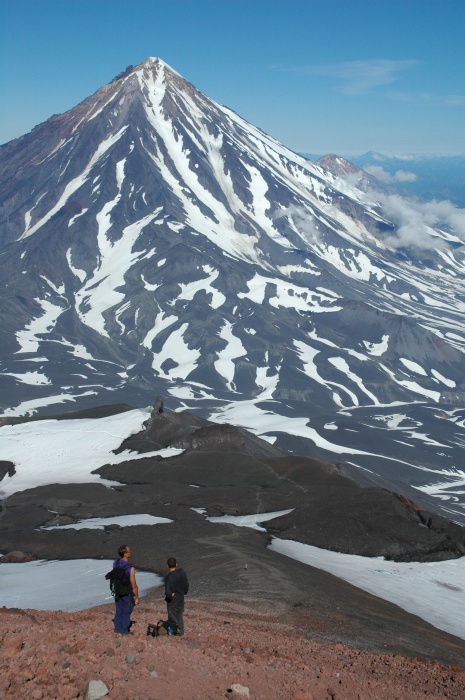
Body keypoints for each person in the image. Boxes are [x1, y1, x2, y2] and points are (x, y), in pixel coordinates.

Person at [113, 544, 139, 635]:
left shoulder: (115, 564)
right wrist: (136, 597)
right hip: (126, 591)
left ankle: (117, 629)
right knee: (127, 610)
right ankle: (124, 630)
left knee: (119, 609)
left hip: (117, 591)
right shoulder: (130, 568)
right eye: (129, 551)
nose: (130, 552)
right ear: (125, 554)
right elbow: (134, 585)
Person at [165, 557, 189, 636]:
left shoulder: (169, 577)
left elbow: (168, 592)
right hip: (181, 598)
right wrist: (185, 592)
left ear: (167, 566)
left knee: (171, 617)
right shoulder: (181, 572)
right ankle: (181, 632)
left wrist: (169, 597)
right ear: (176, 564)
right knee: (179, 615)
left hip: (173, 601)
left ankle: (172, 633)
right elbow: (186, 584)